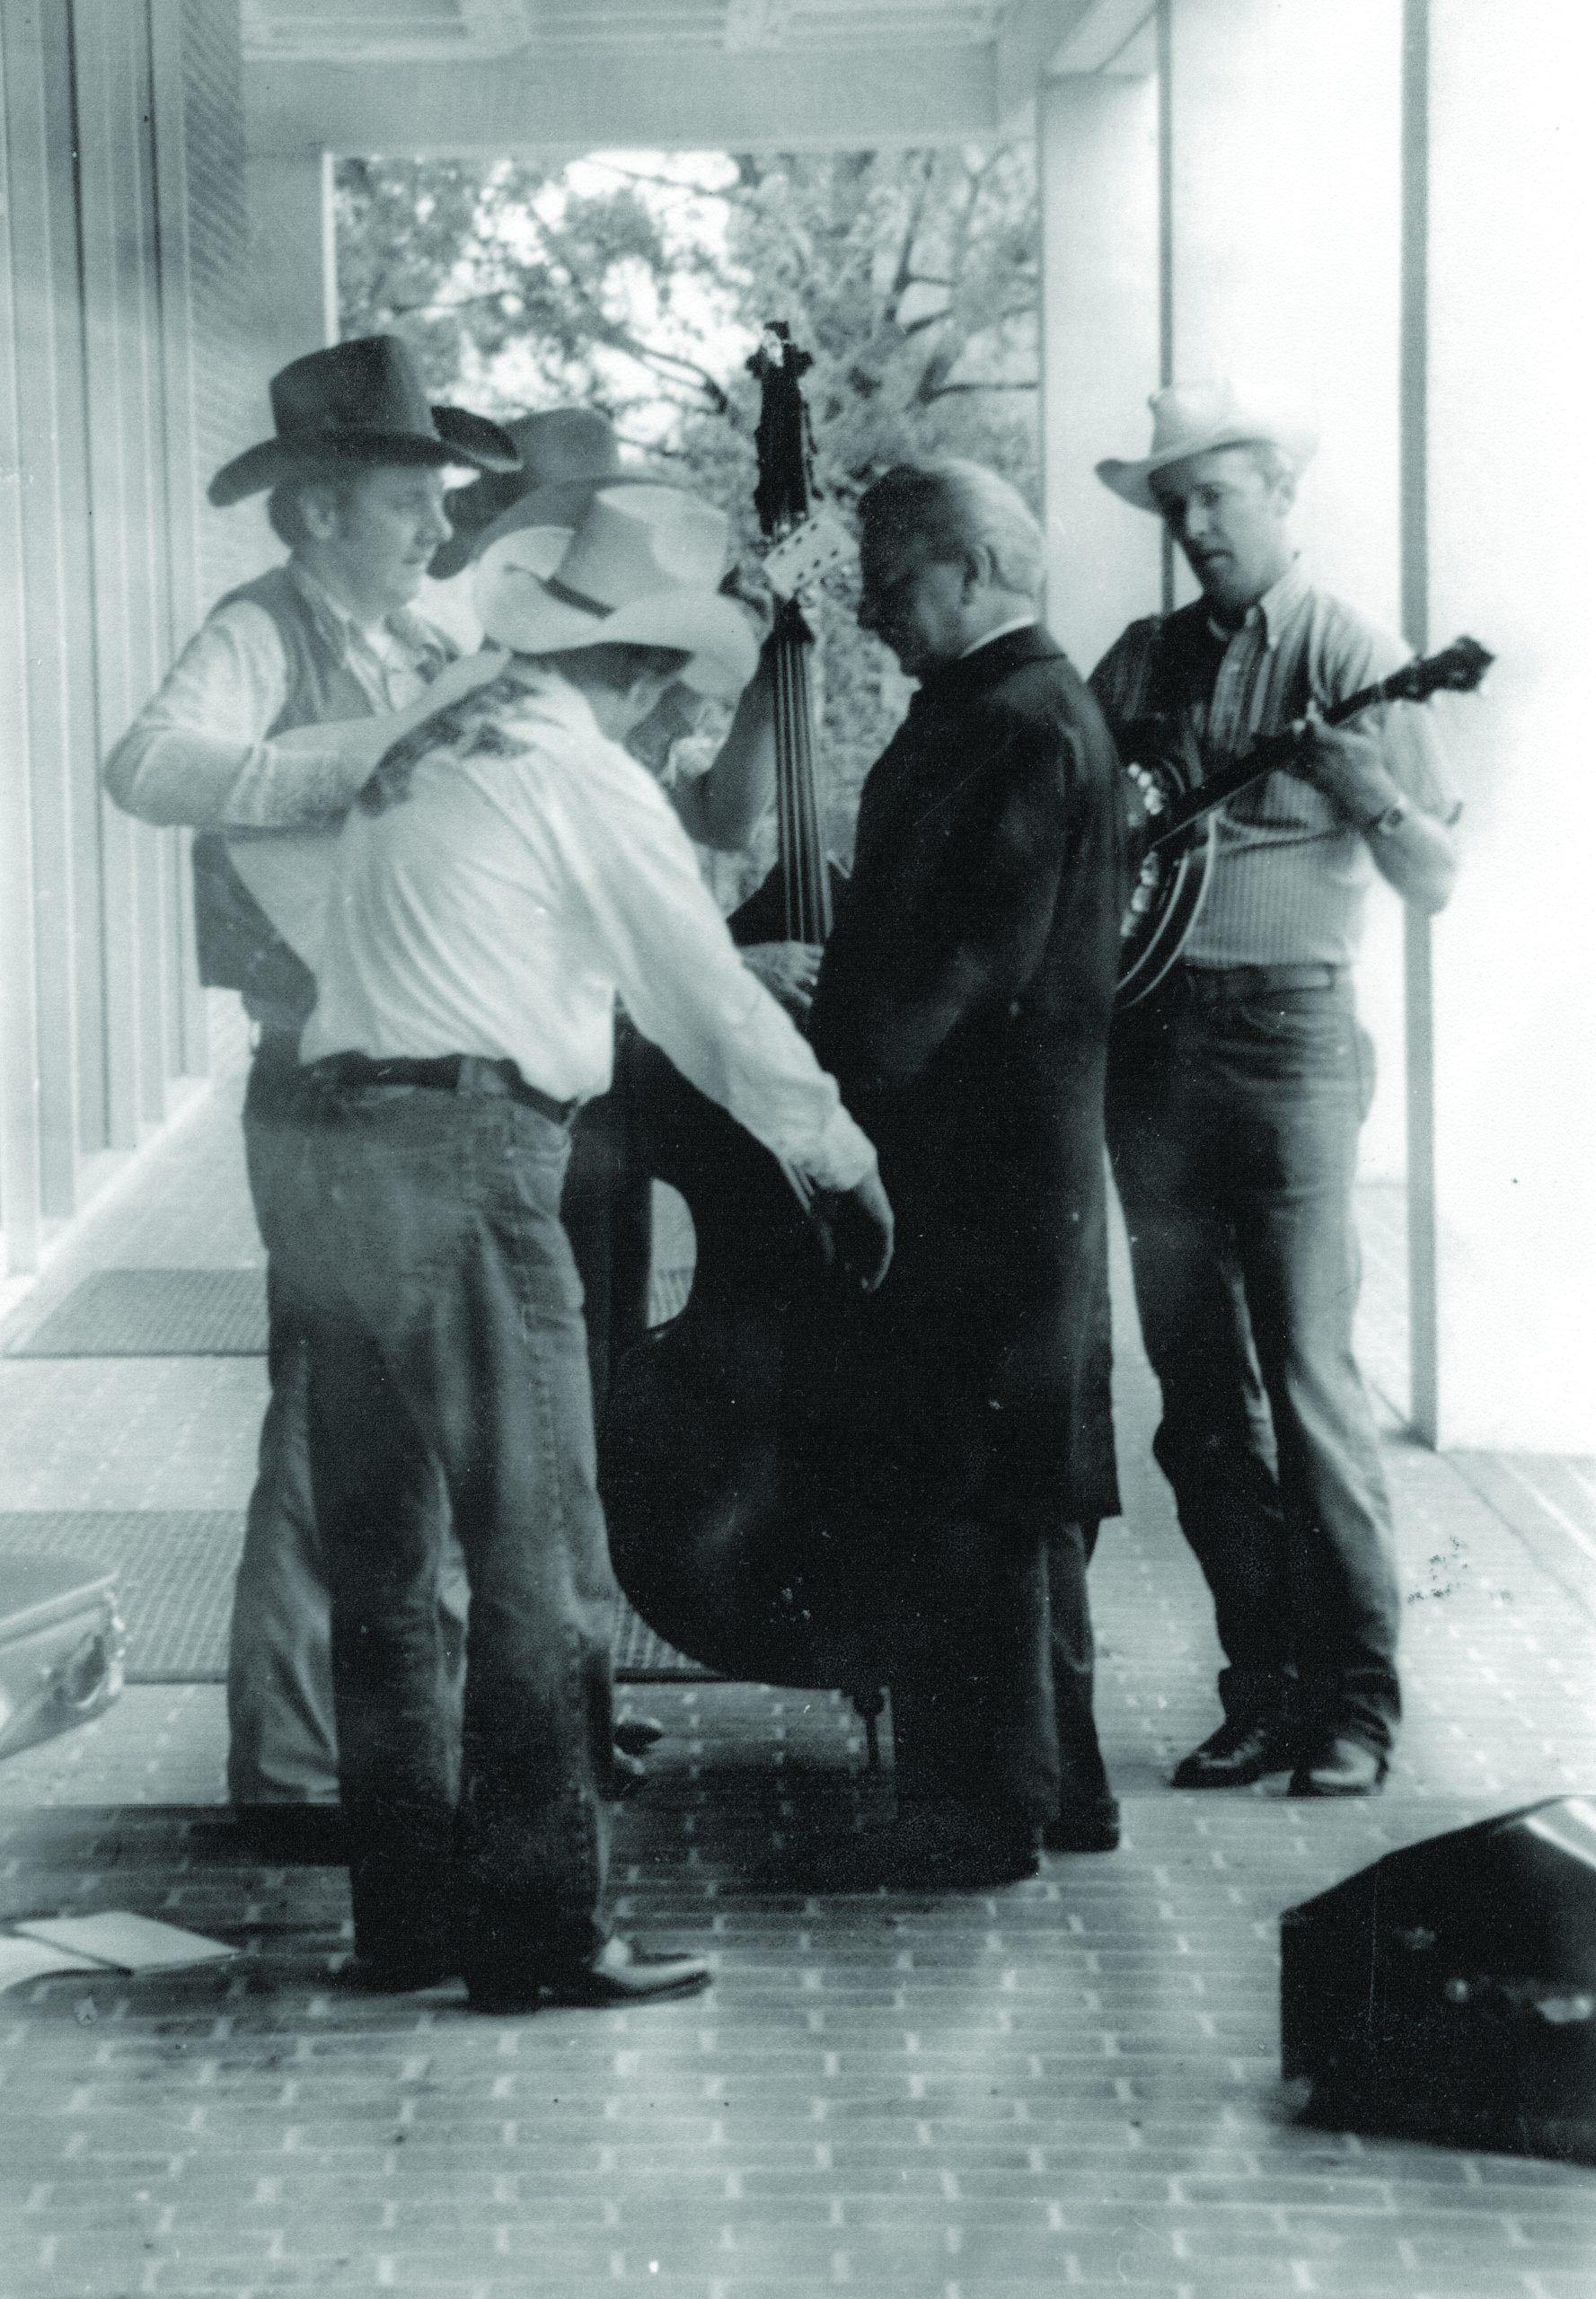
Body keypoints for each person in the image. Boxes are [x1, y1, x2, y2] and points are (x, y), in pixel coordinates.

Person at [285, 481, 893, 2007]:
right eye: (677, 690)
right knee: (543, 1555)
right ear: (636, 665)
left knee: (385, 1566)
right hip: (468, 1157)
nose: (680, 721)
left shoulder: (436, 737)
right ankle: (539, 1932)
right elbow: (704, 995)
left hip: (326, 1148)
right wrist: (833, 1152)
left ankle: (406, 1921)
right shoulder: (579, 772)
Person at [101, 336, 519, 1827]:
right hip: (326, 1080)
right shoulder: (262, 626)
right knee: (325, 1418)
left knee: (414, 1416)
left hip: (424, 1070)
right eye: (410, 501)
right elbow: (145, 764)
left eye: (440, 501)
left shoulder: (417, 637)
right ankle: (290, 1761)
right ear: (323, 510)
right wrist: (345, 764)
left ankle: (419, 1727)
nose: (436, 526)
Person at [1090, 380, 1460, 1798]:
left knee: (1307, 1381)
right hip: (1151, 1041)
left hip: (1288, 1038)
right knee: (1197, 1397)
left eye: (1217, 496)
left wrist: (1366, 787)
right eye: (1175, 504)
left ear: (1280, 498)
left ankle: (1355, 1708)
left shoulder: (1357, 654)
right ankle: (1262, 1690)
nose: (1193, 524)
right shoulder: (1141, 659)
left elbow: (1434, 874)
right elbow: (1083, 819)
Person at [798, 459, 1128, 1889]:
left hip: (968, 1161)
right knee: (1017, 1488)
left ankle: (976, 1815)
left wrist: (837, 1087)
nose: (871, 611)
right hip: (1012, 1157)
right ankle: (1061, 1787)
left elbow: (965, 962)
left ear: (977, 566)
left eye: (891, 582)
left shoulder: (1009, 719)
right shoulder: (1023, 707)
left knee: (963, 1486)